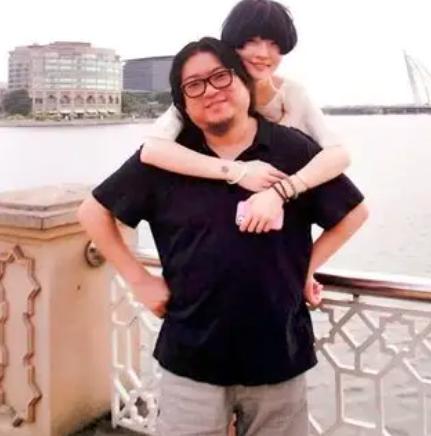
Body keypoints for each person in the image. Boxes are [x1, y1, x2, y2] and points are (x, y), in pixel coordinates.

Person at [78, 37, 368, 436]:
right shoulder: (169, 157)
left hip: (278, 355)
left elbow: (353, 214)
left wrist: (305, 267)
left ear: (243, 81)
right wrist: (139, 280)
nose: (210, 91)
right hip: (190, 359)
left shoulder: (290, 149)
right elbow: (92, 212)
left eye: (220, 76)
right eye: (193, 85)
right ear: (182, 102)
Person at [140, 0, 350, 235]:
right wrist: (237, 171)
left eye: (274, 44)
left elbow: (339, 154)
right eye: (252, 41)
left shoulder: (292, 95)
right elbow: (152, 149)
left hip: (274, 229)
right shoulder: (208, 95)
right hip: (212, 224)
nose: (263, 54)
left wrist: (283, 189)